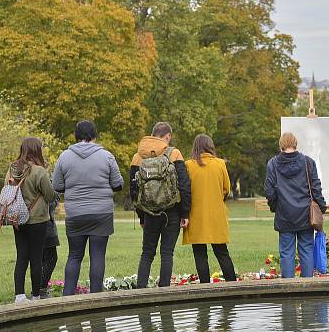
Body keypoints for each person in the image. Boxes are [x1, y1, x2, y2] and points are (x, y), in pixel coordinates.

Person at [53, 120, 123, 295]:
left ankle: (68, 297)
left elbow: (57, 185)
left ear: (76, 136)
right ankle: (96, 297)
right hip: (101, 213)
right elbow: (118, 184)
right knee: (97, 255)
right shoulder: (107, 156)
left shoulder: (64, 156)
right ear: (95, 135)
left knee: (74, 255)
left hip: (75, 213)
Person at [130, 122, 191, 288]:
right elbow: (184, 185)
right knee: (167, 253)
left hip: (148, 212)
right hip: (171, 211)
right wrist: (185, 213)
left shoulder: (138, 156)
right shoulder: (174, 153)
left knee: (147, 253)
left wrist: (141, 215)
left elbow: (133, 189)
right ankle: (164, 290)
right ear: (167, 136)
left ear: (152, 134)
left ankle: (140, 290)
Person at [264, 132, 326, 278]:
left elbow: (269, 191)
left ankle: (288, 289)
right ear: (295, 144)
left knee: (286, 253)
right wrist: (321, 208)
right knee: (307, 251)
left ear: (281, 146)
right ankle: (307, 286)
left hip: (284, 215)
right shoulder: (307, 162)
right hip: (306, 215)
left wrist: (275, 207)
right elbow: (316, 188)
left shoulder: (272, 164)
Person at [5, 137, 57, 303]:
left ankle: (19, 296)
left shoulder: (12, 168)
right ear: (37, 150)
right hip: (37, 219)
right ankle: (35, 295)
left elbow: (7, 190)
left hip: (17, 219)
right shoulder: (39, 171)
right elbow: (49, 195)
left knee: (21, 257)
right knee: (36, 257)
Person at [182, 134, 237, 283]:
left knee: (200, 254)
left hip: (196, 216)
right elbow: (226, 189)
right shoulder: (220, 164)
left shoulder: (188, 165)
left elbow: (185, 191)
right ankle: (232, 285)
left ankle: (205, 286)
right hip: (216, 215)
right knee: (222, 252)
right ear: (210, 146)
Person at [39, 194, 61, 298]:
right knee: (51, 258)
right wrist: (56, 196)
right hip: (45, 226)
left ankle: (39, 287)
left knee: (42, 259)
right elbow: (49, 205)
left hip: (33, 226)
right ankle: (41, 288)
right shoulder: (42, 179)